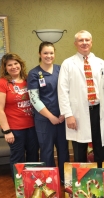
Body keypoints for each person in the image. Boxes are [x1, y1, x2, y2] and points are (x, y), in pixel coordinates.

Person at [58, 30, 104, 168]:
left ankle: (100, 177)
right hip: (77, 112)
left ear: (91, 43)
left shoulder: (101, 64)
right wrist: (68, 115)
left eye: (87, 40)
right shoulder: (67, 64)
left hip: (98, 110)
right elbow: (62, 91)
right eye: (81, 40)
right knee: (80, 150)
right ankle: (80, 181)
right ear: (75, 44)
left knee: (100, 148)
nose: (84, 43)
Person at [0, 53, 39, 179]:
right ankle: (20, 186)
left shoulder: (28, 79)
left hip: (32, 126)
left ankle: (33, 183)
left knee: (33, 156)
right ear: (5, 67)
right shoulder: (1, 83)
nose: (13, 67)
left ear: (20, 64)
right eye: (9, 65)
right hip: (14, 129)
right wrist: (7, 131)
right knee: (18, 157)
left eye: (15, 63)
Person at [27, 41, 70, 182]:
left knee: (64, 150)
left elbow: (67, 92)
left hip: (62, 118)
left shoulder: (61, 69)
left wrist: (64, 113)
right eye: (45, 53)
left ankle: (64, 179)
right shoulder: (34, 74)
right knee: (47, 151)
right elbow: (34, 99)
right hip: (44, 120)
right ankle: (50, 182)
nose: (48, 56)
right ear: (40, 54)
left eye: (51, 53)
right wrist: (51, 117)